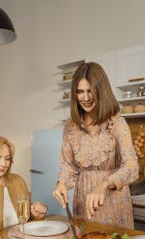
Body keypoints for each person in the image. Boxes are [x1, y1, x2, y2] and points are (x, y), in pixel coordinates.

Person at [53, 62, 139, 229]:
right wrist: (61, 184)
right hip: (83, 201)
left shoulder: (117, 123)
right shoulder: (70, 127)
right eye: (80, 92)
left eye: (90, 90)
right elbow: (68, 168)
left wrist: (104, 184)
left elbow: (131, 167)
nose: (85, 98)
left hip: (114, 201)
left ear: (102, 91)